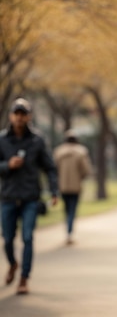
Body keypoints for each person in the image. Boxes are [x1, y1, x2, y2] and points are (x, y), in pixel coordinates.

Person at [0, 97, 59, 295]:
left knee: (27, 237)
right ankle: (12, 264)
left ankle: (24, 278)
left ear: (29, 116)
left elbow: (49, 167)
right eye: (16, 114)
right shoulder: (2, 140)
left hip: (30, 198)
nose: (19, 118)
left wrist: (53, 191)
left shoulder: (37, 140)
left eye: (23, 114)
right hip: (7, 197)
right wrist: (7, 165)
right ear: (11, 116)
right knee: (7, 239)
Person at [53, 129, 92, 245]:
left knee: (66, 209)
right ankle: (70, 232)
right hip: (75, 186)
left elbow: (54, 169)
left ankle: (67, 230)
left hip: (63, 186)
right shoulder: (81, 152)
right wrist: (81, 177)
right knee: (72, 210)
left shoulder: (58, 152)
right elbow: (85, 169)